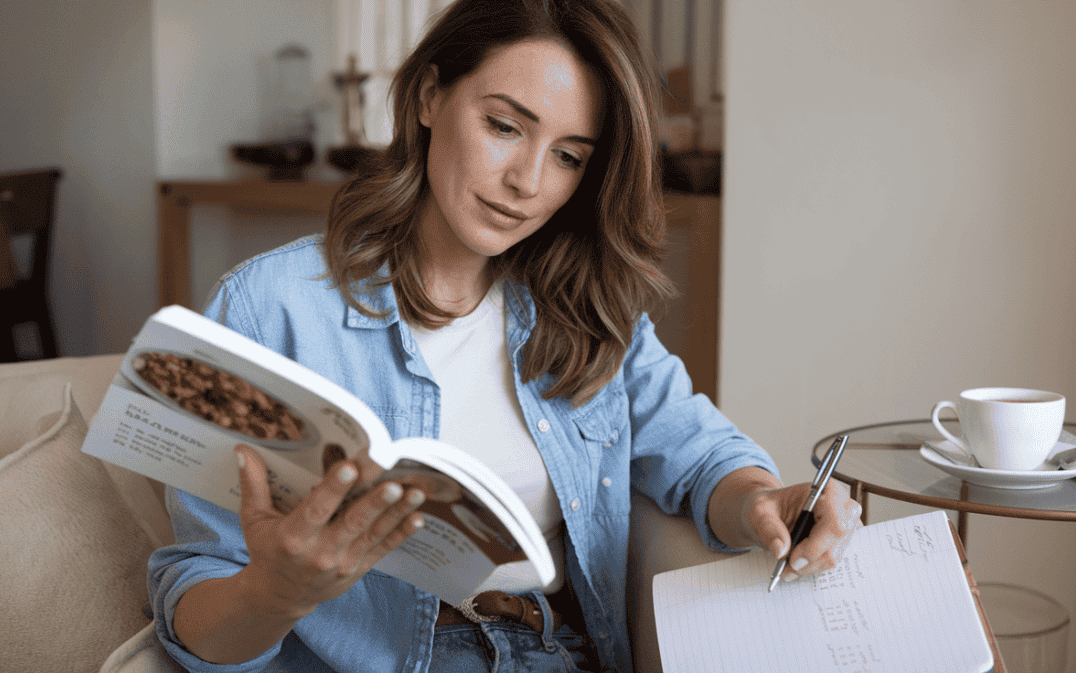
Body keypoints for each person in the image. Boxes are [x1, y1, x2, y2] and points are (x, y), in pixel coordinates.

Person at [148, 0, 862, 671]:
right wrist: (278, 591)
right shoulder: (268, 306)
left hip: (559, 649)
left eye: (569, 156)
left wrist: (763, 501)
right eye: (505, 126)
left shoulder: (586, 310)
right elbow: (196, 604)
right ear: (430, 97)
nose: (527, 181)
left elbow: (703, 453)